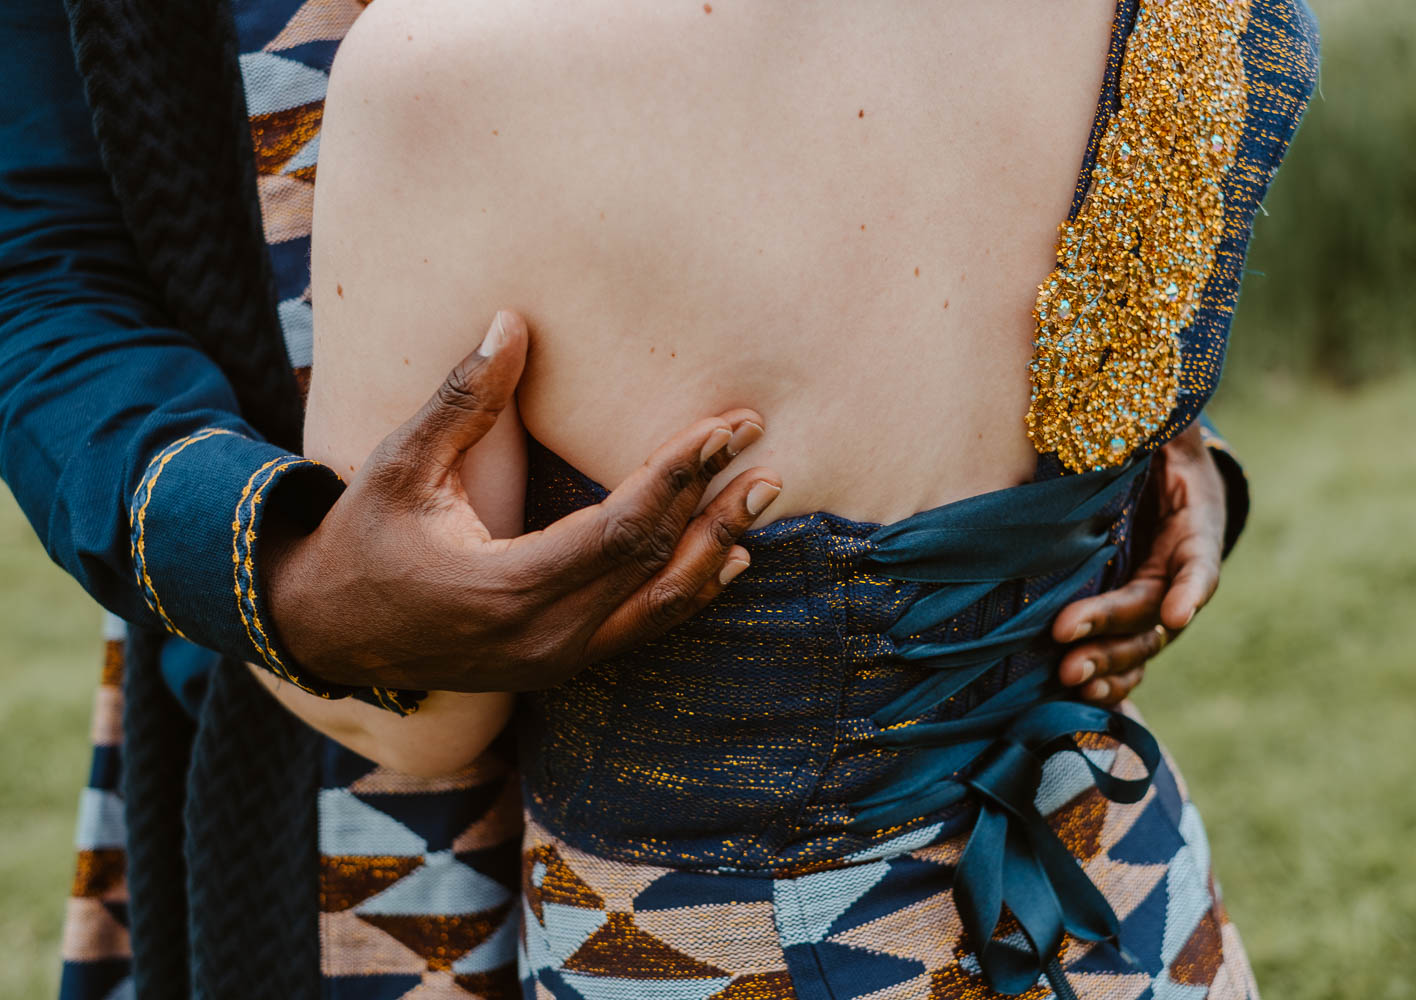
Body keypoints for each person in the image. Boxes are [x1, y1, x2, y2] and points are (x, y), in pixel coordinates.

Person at [0, 0, 1290, 997]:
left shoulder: (443, 81)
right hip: (339, 802)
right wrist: (273, 567)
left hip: (694, 920)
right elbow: (36, 255)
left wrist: (1147, 420)